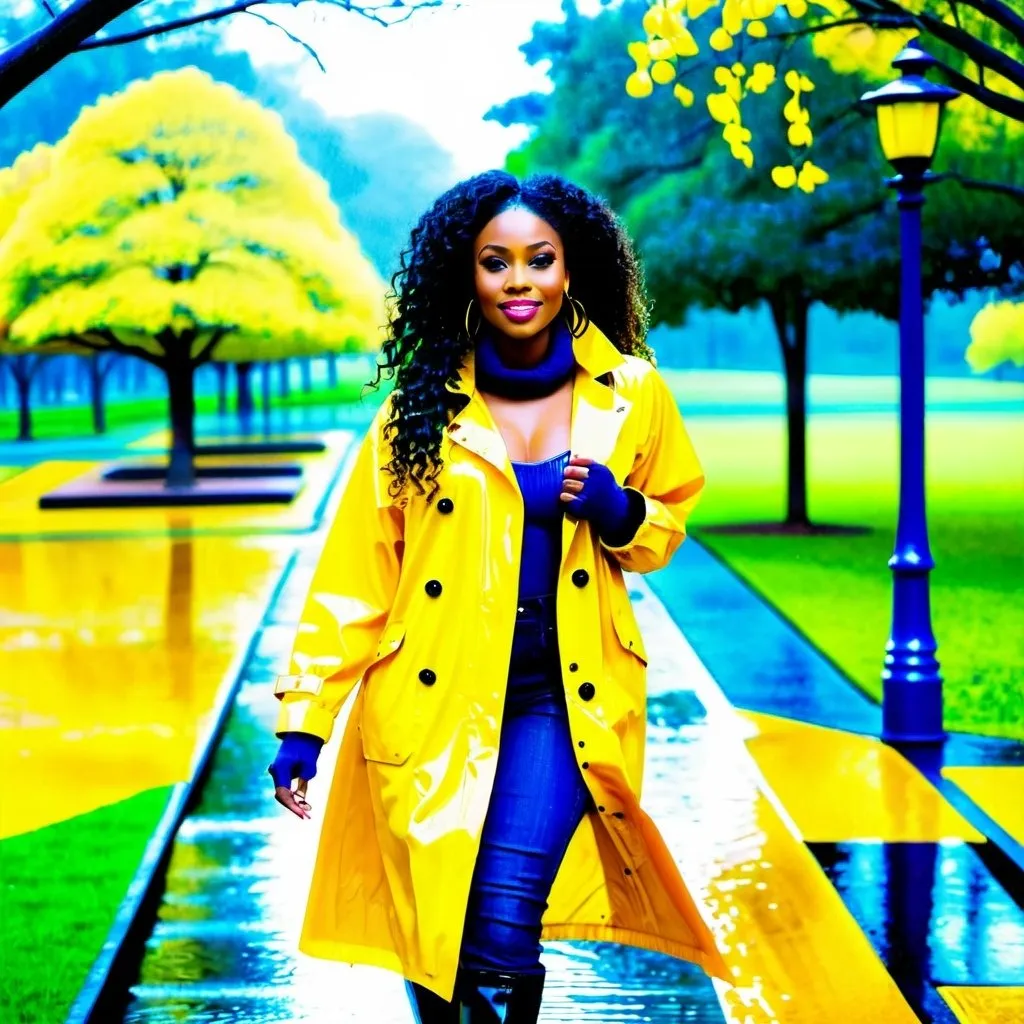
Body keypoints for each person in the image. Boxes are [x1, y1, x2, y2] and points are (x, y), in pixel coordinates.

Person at [268, 171, 729, 1023]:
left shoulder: (631, 394)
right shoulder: (417, 408)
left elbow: (668, 523)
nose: (519, 282)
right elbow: (357, 576)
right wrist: (305, 719)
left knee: (502, 913)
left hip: (563, 699)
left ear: (571, 268)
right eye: (496, 263)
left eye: (539, 260)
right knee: (439, 920)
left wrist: (618, 509)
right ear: (466, 276)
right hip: (429, 705)